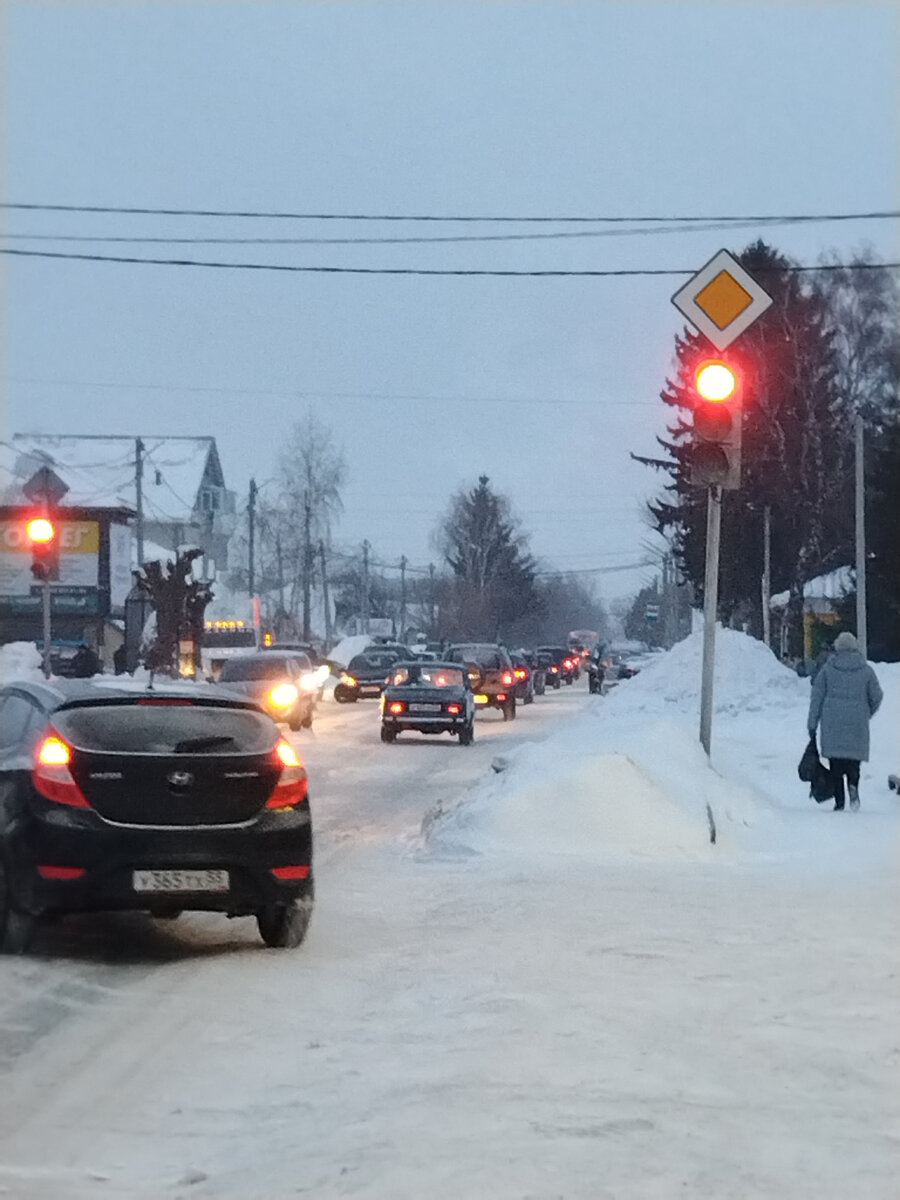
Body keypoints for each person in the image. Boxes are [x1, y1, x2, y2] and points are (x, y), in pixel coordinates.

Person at [807, 631, 883, 811]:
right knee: (853, 762)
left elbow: (816, 697)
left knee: (836, 765)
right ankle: (854, 787)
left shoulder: (827, 670)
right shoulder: (866, 671)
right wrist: (866, 713)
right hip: (857, 724)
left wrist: (812, 723)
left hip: (832, 724)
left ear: (837, 648)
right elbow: (877, 696)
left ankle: (839, 802)